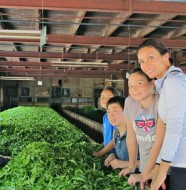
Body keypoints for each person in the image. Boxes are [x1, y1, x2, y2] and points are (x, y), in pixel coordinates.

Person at [136, 38, 186, 190]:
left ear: (166, 56)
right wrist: (157, 167)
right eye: (141, 61)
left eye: (150, 57)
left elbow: (174, 128)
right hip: (178, 163)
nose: (145, 65)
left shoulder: (174, 82)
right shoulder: (164, 84)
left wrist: (162, 171)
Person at [119, 68, 164, 188]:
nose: (134, 89)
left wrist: (146, 173)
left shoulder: (161, 102)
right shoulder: (129, 102)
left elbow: (159, 142)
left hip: (165, 167)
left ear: (151, 84)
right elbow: (131, 137)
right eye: (130, 86)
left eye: (139, 84)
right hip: (145, 166)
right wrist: (131, 165)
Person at [104, 96, 130, 169]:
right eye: (108, 111)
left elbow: (153, 164)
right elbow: (122, 156)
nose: (110, 115)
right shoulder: (116, 134)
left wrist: (126, 164)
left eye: (115, 110)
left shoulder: (136, 134)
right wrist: (113, 155)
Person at [92, 86, 118, 157]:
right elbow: (108, 138)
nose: (104, 100)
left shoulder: (116, 117)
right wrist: (101, 145)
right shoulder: (105, 117)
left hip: (116, 155)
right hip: (108, 152)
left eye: (109, 97)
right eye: (102, 97)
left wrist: (100, 153)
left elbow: (116, 139)